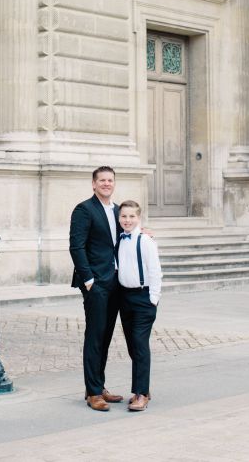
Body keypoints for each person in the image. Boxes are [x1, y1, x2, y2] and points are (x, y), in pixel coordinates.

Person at [69, 166, 123, 411]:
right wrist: (88, 280)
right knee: (94, 336)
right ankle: (92, 393)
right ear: (93, 184)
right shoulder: (84, 209)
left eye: (110, 180)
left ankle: (99, 386)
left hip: (116, 282)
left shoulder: (119, 211)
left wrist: (144, 232)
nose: (106, 184)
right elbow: (76, 247)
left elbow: (126, 236)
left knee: (106, 336)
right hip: (96, 284)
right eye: (102, 180)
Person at [116, 200, 162, 412]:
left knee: (140, 345)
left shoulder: (145, 241)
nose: (127, 220)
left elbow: (155, 271)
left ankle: (141, 394)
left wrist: (153, 299)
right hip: (125, 297)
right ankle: (144, 387)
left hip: (143, 298)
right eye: (124, 216)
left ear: (139, 218)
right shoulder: (120, 239)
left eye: (131, 216)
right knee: (133, 346)